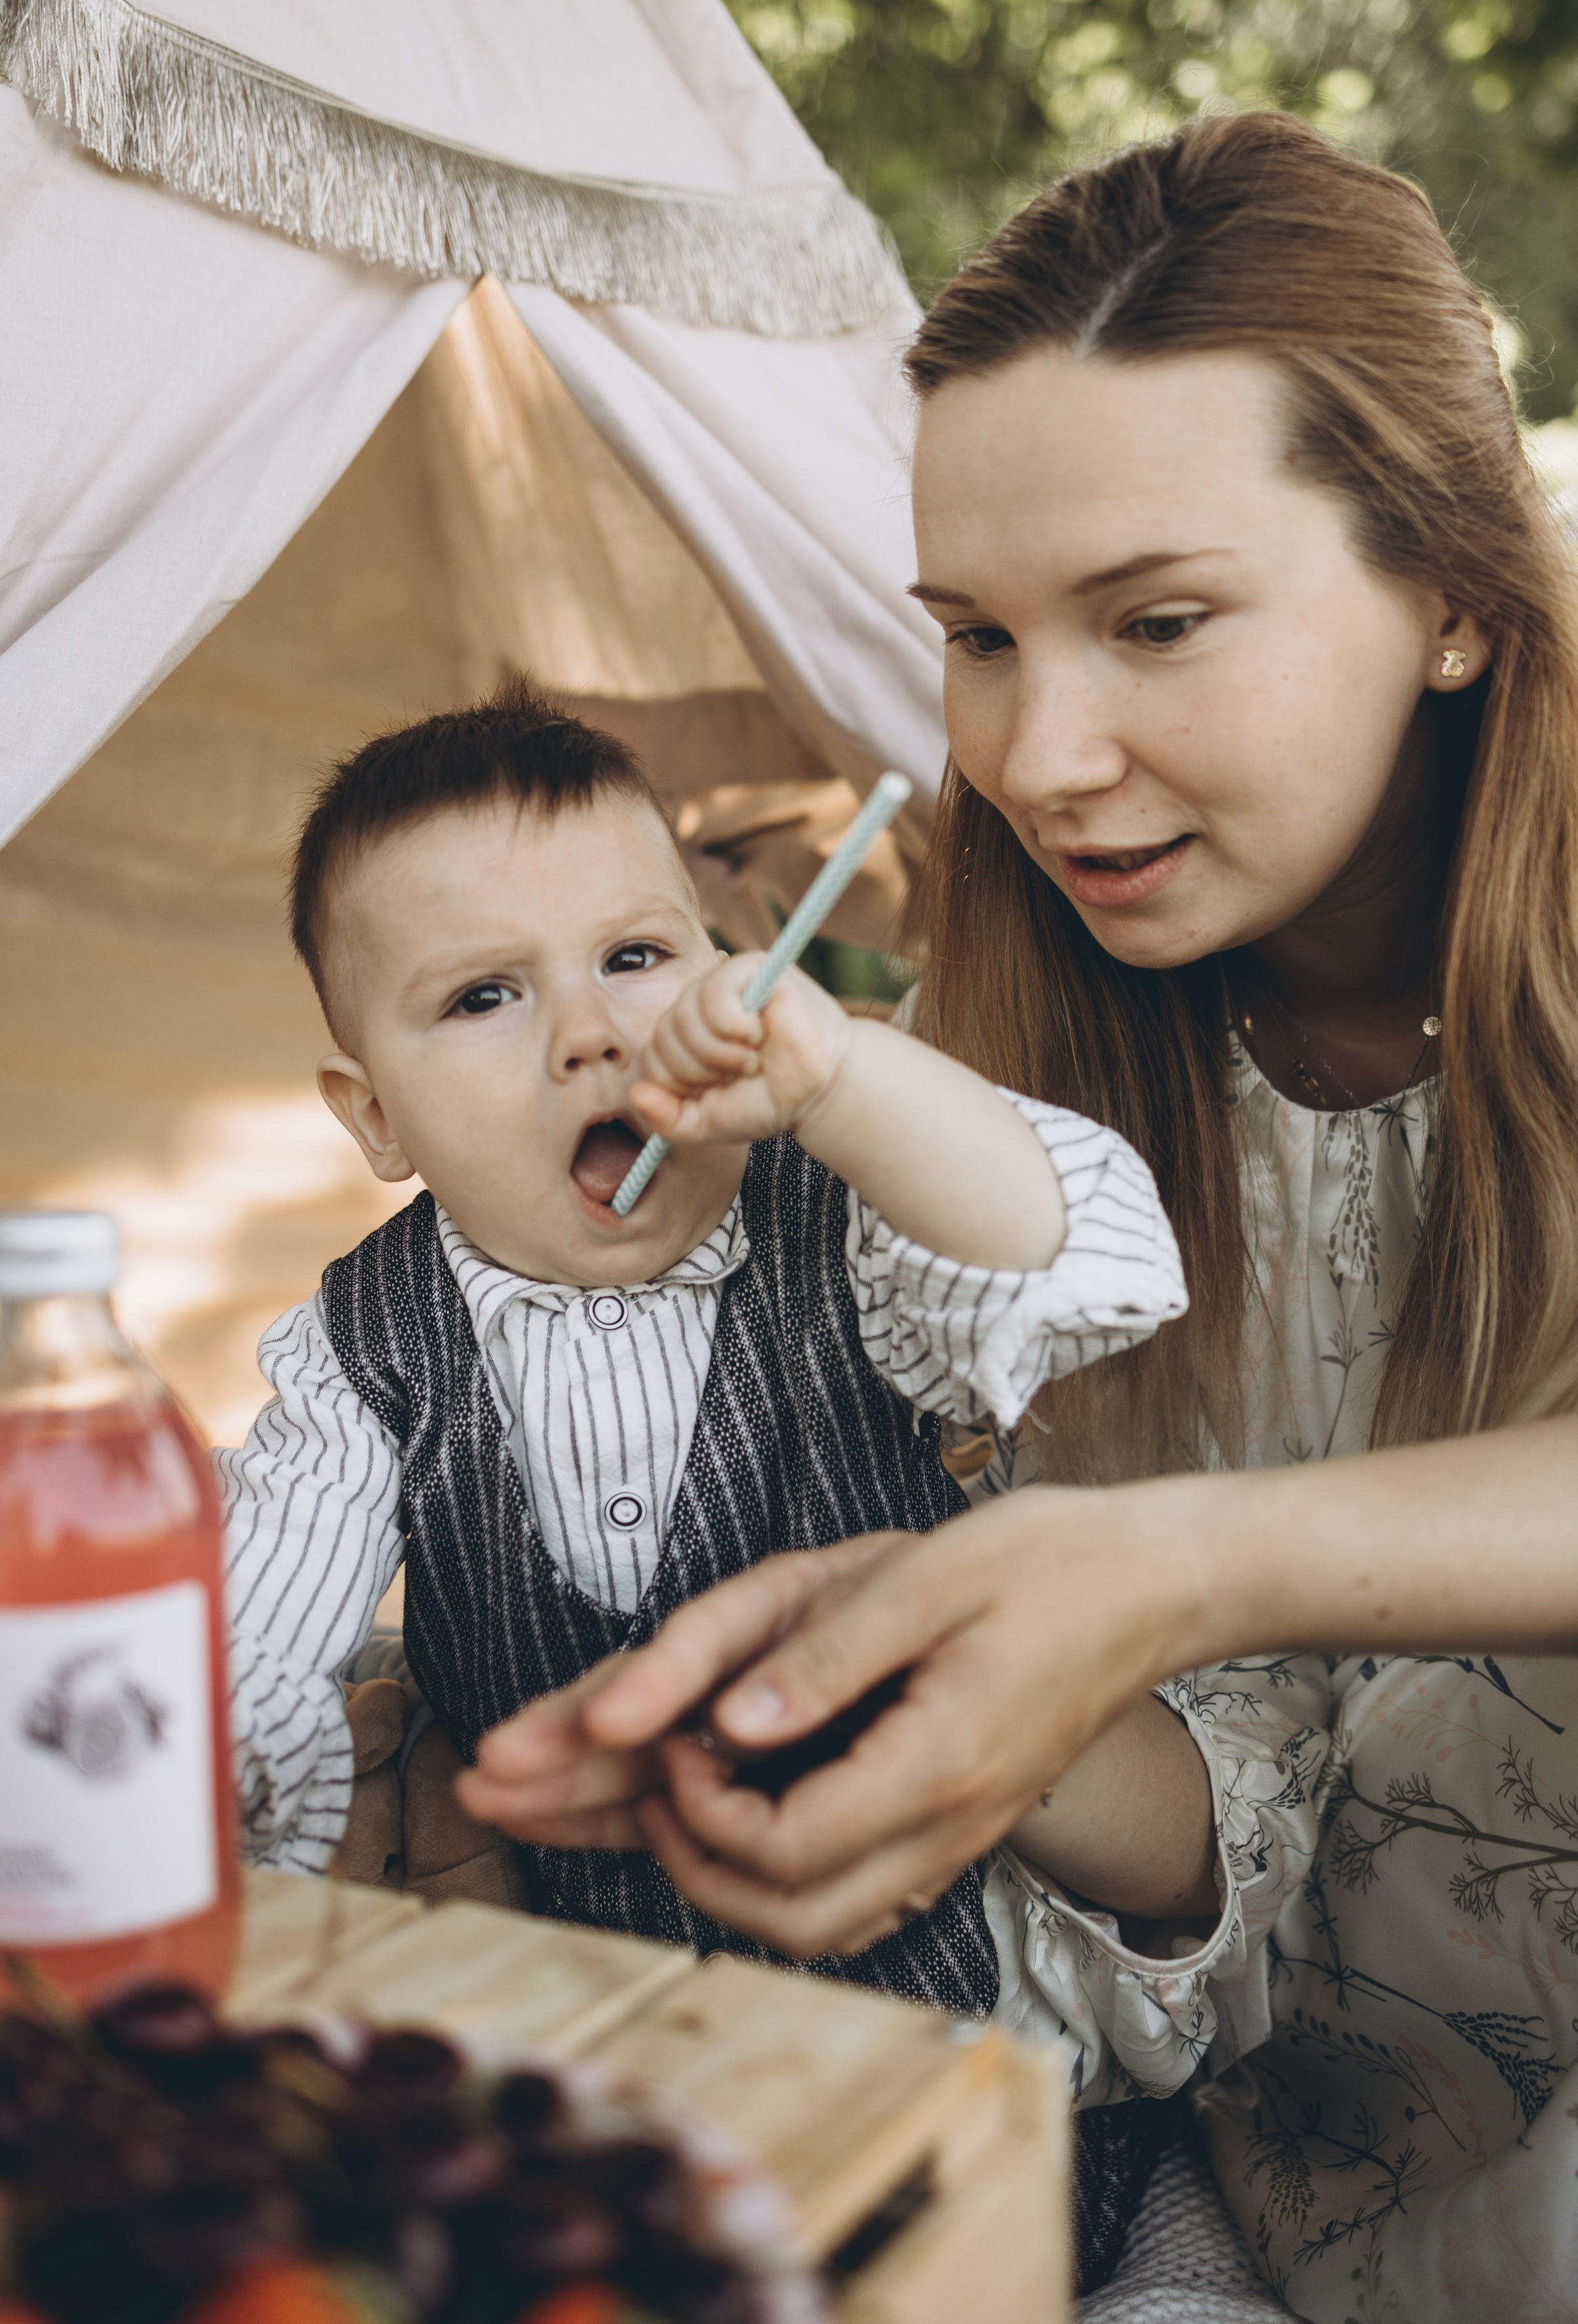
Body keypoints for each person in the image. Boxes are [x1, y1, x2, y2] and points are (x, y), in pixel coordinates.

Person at [460, 118, 1578, 2322]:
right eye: (974, 635)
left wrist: (1170, 1563)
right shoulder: (1038, 1136)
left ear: (1453, 591)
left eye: (1158, 623)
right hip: (1309, 2246)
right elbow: (1245, 1854)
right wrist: (991, 1684)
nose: (1038, 756)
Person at [215, 683, 1190, 2280]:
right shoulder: (360, 1347)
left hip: (935, 2031)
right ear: (375, 1117)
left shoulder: (844, 1226)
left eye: (635, 957)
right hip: (606, 2062)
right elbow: (251, 1656)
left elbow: (1083, 1263)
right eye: (482, 997)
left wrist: (843, 1083)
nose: (591, 1032)